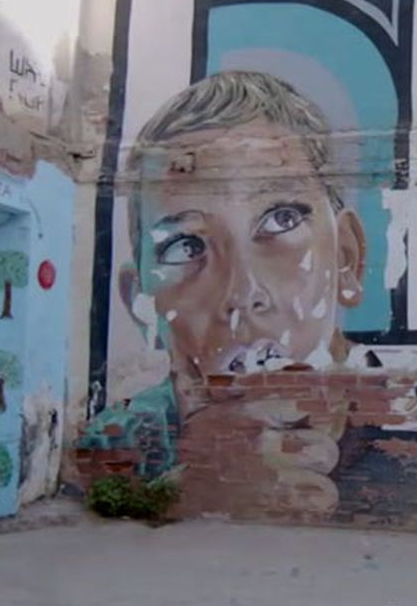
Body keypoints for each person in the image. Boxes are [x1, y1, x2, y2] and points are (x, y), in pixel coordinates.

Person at [116, 70, 369, 518]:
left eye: (282, 220)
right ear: (142, 303)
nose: (242, 293)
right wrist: (199, 488)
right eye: (186, 246)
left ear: (346, 259)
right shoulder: (120, 440)